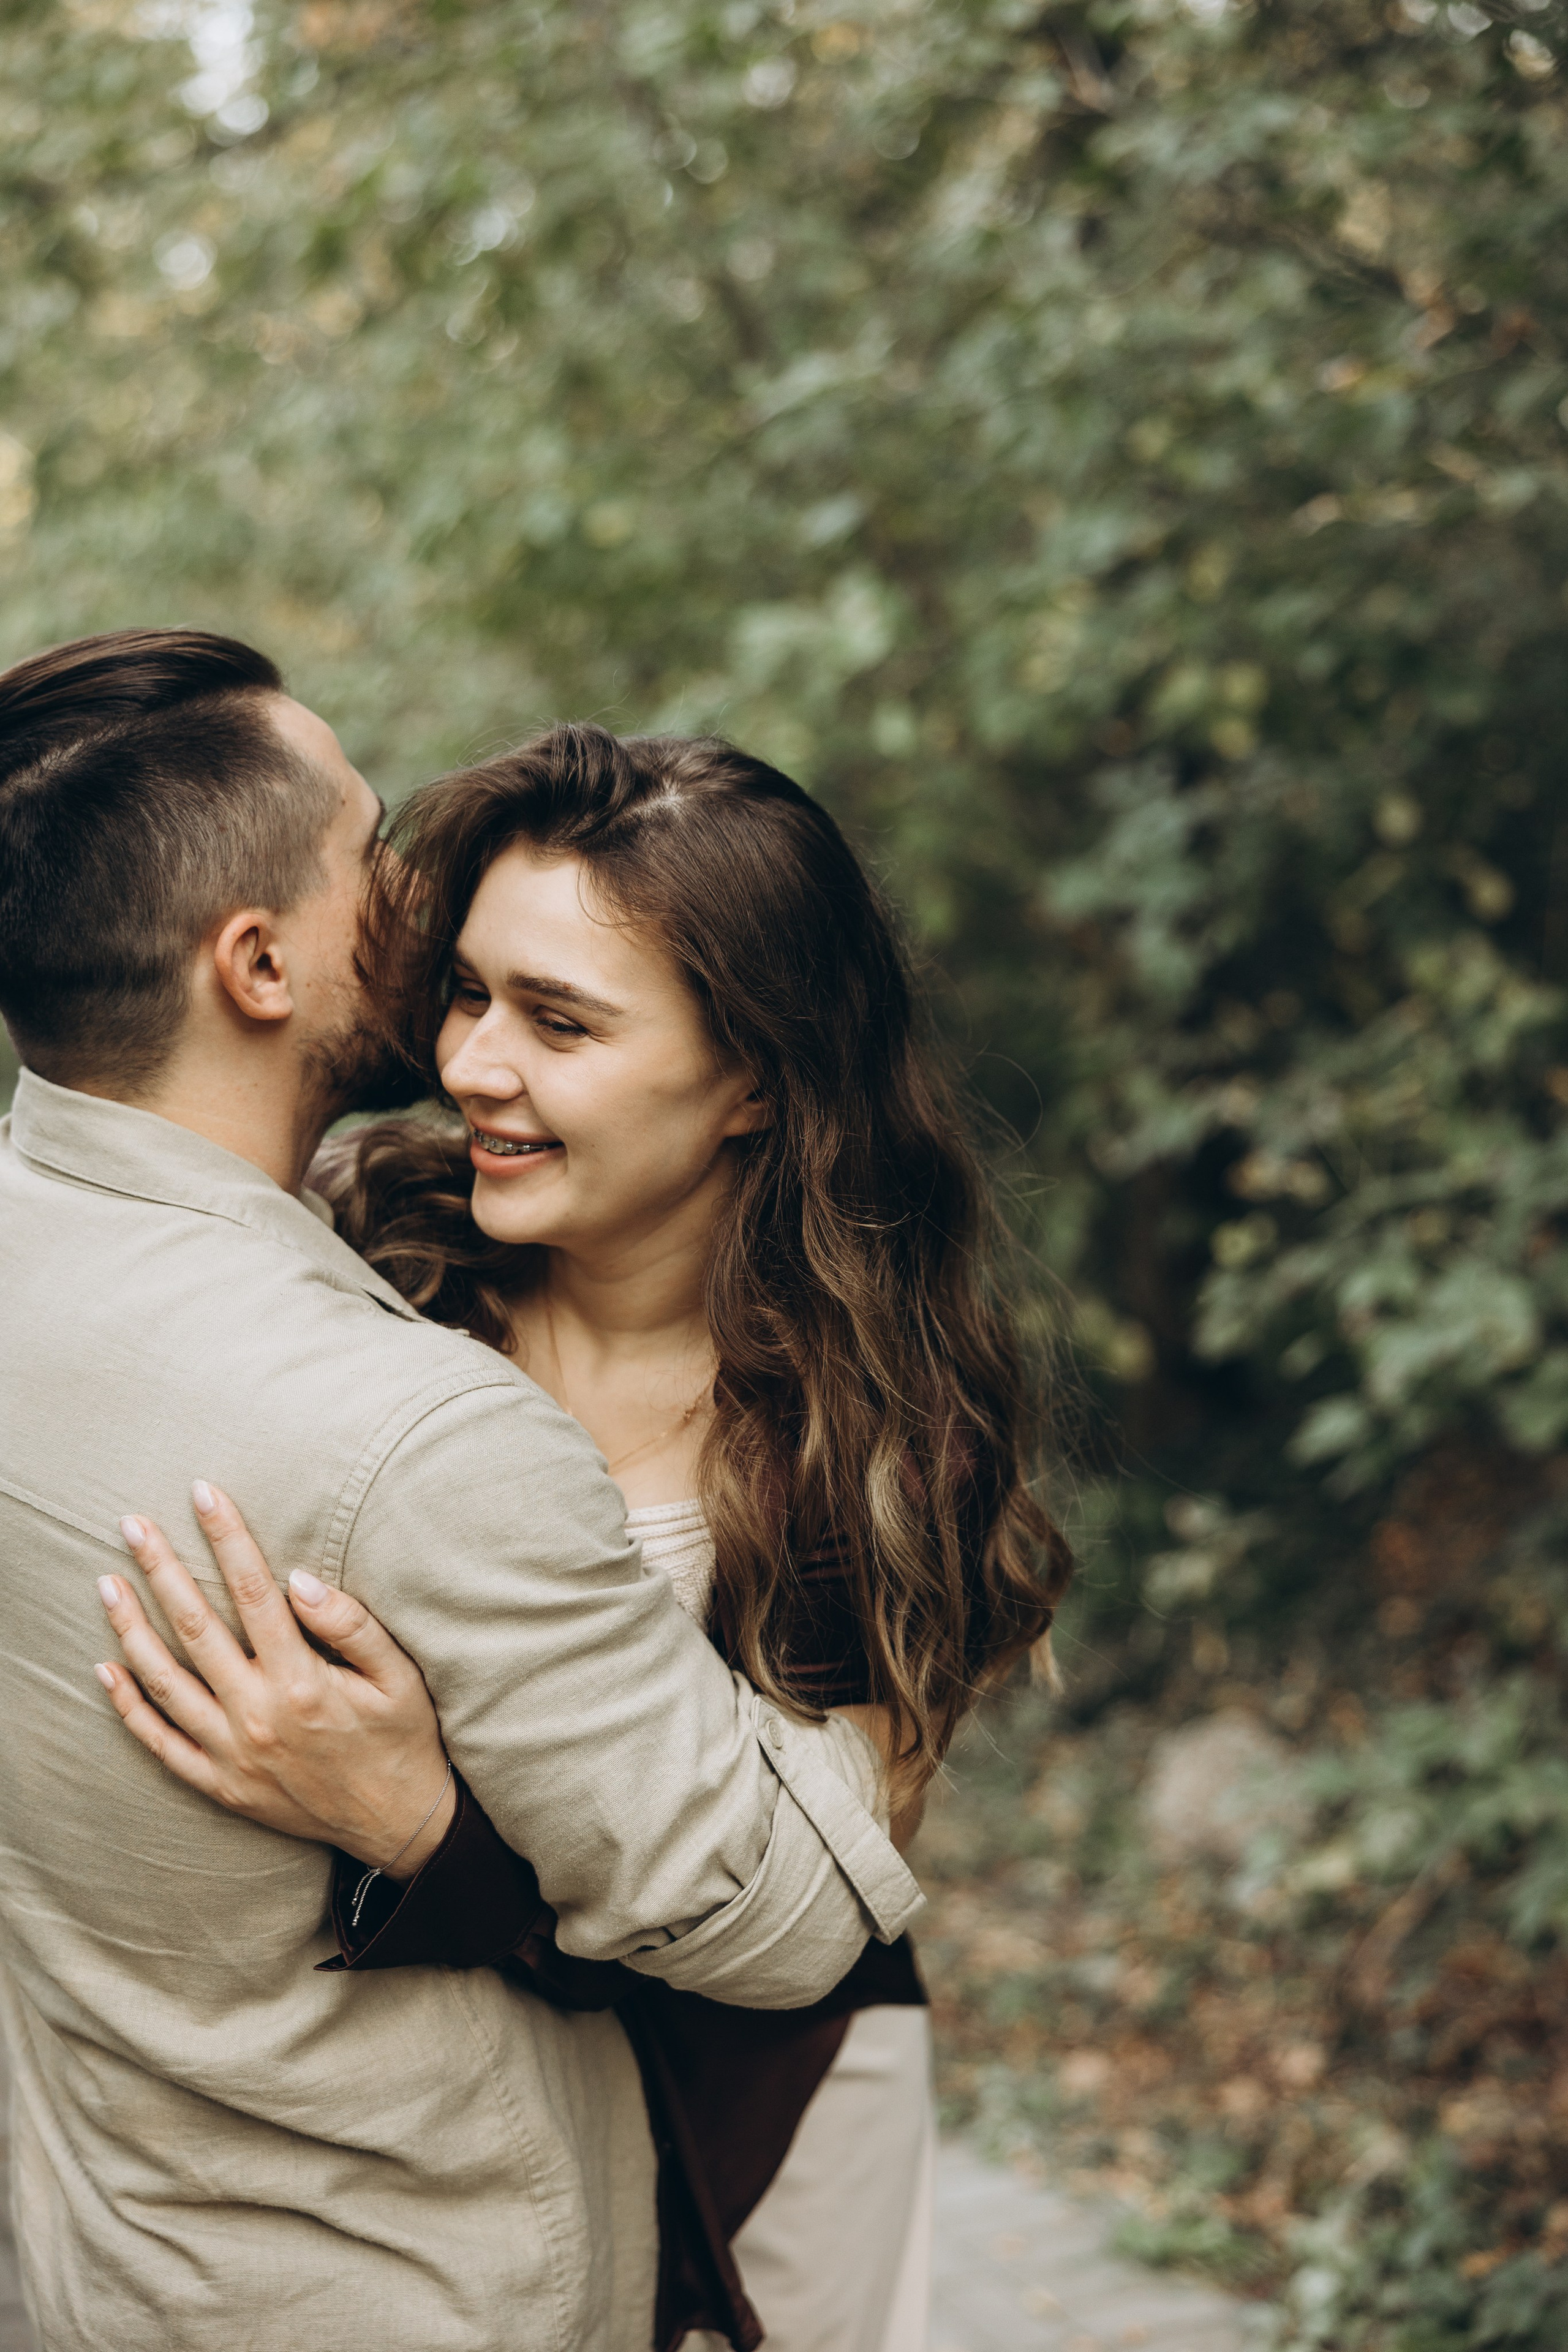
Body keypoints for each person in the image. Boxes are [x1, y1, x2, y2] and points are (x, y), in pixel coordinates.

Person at [93, 722, 1072, 2348]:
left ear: (755, 1076)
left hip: (755, 2127)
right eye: (472, 993)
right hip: (402, 2147)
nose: (475, 1064)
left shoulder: (867, 1445)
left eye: (560, 1022)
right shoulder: (365, 1256)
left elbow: (776, 1933)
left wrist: (430, 1829)